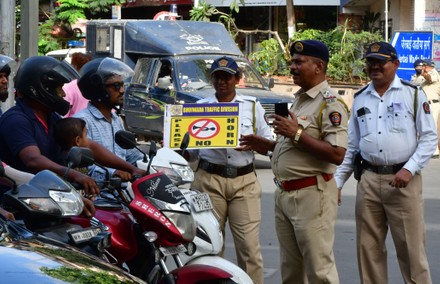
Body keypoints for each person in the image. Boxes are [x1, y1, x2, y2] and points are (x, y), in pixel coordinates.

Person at [240, 40, 349, 283]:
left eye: (299, 62)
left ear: (319, 66)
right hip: (285, 194)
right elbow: (293, 147)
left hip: (312, 194)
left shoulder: (330, 104)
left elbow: (337, 154)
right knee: (291, 269)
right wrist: (268, 147)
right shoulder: (301, 99)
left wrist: (297, 133)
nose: (292, 66)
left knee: (319, 270)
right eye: (292, 61)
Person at [334, 42, 437, 284]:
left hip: (404, 181)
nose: (375, 66)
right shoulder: (360, 98)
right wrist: (337, 183)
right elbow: (352, 146)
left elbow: (429, 137)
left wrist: (409, 169)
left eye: (381, 61)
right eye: (371, 62)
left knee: (411, 251)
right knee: (368, 250)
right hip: (368, 181)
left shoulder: (412, 94)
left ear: (396, 64)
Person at [0, 56, 143, 216]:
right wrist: (73, 174)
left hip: (49, 201)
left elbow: (87, 146)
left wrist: (133, 169)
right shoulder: (16, 120)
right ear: (41, 89)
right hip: (21, 207)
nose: (62, 94)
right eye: (58, 88)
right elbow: (32, 159)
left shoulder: (51, 118)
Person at [185, 56, 272, 284]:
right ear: (211, 80)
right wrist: (181, 145)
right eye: (217, 77)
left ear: (237, 79)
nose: (222, 81)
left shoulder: (252, 107)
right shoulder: (199, 108)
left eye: (227, 76)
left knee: (249, 249)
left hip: (244, 182)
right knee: (210, 246)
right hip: (208, 180)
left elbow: (270, 144)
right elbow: (191, 154)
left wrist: (255, 143)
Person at [74, 57, 144, 183]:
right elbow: (83, 167)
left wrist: (154, 163)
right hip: (99, 197)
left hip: (125, 194)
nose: (122, 91)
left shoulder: (116, 120)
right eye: (116, 86)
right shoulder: (82, 121)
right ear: (98, 88)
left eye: (122, 85)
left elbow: (130, 154)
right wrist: (114, 173)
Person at [420, 59, 440, 156]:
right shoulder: (423, 76)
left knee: (433, 127)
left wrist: (424, 73)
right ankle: (429, 149)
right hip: (426, 105)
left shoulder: (434, 73)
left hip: (433, 104)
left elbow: (430, 78)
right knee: (426, 127)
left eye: (424, 65)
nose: (422, 67)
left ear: (428, 66)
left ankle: (435, 151)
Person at [63, 52, 93, 117]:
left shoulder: (70, 87)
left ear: (75, 67)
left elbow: (64, 114)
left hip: (75, 125)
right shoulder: (96, 84)